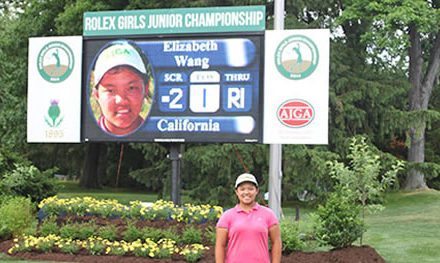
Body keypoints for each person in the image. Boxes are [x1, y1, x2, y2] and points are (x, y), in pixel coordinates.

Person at [215, 173, 282, 263]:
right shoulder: (227, 216)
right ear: (237, 192)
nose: (246, 192)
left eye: (250, 189)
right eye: (242, 189)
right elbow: (220, 245)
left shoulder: (268, 214)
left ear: (256, 191)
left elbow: (276, 242)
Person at [91, 40, 151, 136]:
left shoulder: (154, 133)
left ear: (146, 89)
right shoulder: (89, 134)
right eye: (110, 90)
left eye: (131, 88)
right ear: (96, 94)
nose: (121, 101)